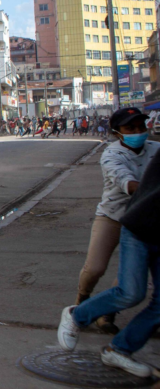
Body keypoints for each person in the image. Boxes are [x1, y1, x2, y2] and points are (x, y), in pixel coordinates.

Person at [58, 110, 160, 378]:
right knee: (96, 269)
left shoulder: (156, 149)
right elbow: (128, 184)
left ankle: (109, 322)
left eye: (141, 126)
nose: (139, 132)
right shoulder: (112, 154)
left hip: (152, 221)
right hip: (116, 217)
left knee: (130, 283)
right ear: (117, 133)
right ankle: (80, 306)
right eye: (131, 129)